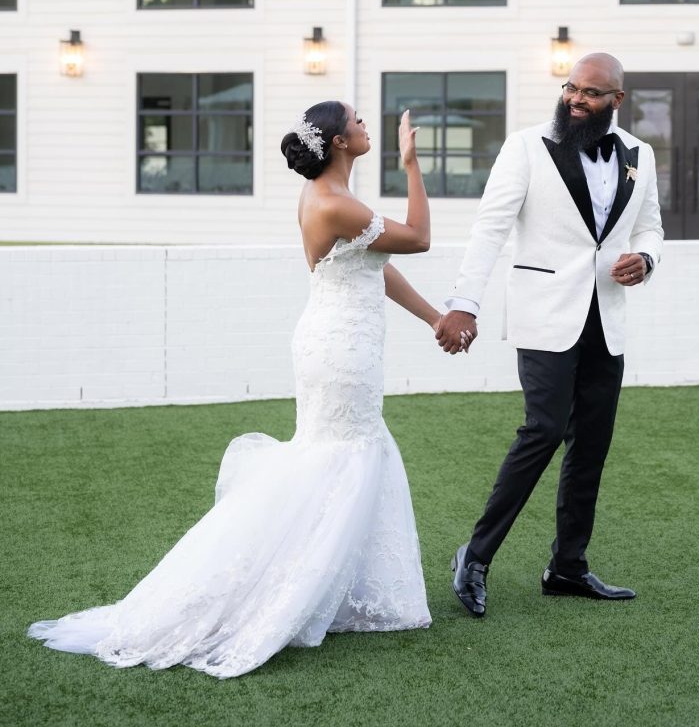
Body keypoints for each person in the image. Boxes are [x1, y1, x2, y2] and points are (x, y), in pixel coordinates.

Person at [29, 102, 440, 678]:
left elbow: (378, 262)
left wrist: (434, 318)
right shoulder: (331, 201)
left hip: (345, 342)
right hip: (339, 351)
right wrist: (412, 164)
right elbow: (417, 238)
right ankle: (274, 591)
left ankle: (339, 591)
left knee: (347, 457)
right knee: (340, 458)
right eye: (356, 118)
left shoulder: (337, 201)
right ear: (340, 140)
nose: (364, 122)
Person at [436, 53, 663, 616]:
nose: (576, 100)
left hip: (605, 319)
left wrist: (647, 258)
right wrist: (464, 304)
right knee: (541, 429)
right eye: (571, 88)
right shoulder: (526, 147)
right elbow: (489, 229)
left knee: (591, 443)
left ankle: (567, 567)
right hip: (544, 313)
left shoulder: (641, 154)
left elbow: (651, 224)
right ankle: (476, 557)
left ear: (617, 100)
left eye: (591, 93)